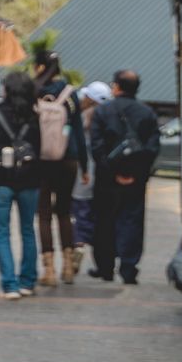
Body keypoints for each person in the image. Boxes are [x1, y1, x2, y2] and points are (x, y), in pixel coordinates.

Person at [89, 69, 162, 284]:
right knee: (132, 221)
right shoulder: (147, 113)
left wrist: (112, 172)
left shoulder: (103, 111)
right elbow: (152, 148)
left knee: (104, 220)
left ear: (116, 87)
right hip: (136, 181)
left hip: (106, 179)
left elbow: (96, 146)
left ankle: (105, 267)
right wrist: (136, 174)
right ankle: (129, 268)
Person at [0, 71, 44, 299]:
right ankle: (27, 282)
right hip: (29, 180)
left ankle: (9, 285)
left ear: (7, 90)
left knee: (2, 232)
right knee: (28, 230)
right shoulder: (35, 118)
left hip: (0, 180)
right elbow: (39, 149)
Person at [30, 51, 86, 287]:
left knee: (43, 214)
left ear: (40, 67)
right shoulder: (70, 94)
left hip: (42, 160)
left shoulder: (34, 93)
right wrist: (84, 166)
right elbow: (80, 132)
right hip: (69, 158)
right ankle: (68, 268)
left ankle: (49, 270)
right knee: (64, 212)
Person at [71, 80, 112, 251]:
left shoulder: (83, 116)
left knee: (81, 208)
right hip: (103, 171)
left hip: (84, 169)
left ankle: (79, 242)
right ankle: (95, 242)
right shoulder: (109, 116)